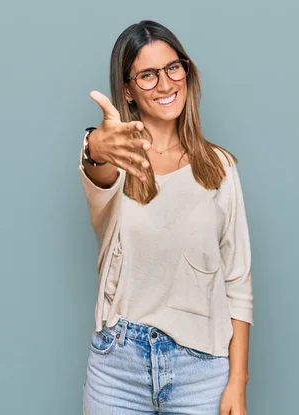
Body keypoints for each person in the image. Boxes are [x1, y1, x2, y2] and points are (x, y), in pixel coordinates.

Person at [79, 20, 254, 415]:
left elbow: (238, 283)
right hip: (118, 371)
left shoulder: (219, 167)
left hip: (202, 372)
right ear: (127, 90)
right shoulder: (118, 163)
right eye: (147, 75)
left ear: (186, 71)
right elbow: (97, 167)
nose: (165, 83)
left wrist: (237, 384)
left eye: (173, 67)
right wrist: (95, 144)